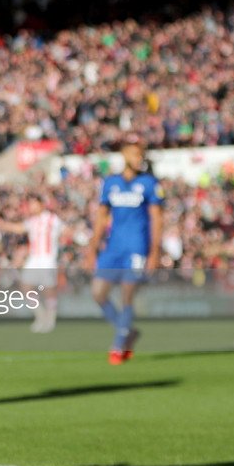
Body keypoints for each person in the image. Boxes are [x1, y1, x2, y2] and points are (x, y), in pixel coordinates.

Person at [84, 140, 162, 364]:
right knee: (98, 293)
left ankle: (118, 345)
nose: (140, 159)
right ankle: (127, 330)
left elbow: (157, 218)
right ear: (126, 156)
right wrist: (92, 249)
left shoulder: (149, 183)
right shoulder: (111, 183)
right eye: (137, 155)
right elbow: (101, 218)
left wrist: (154, 252)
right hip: (113, 247)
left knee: (127, 295)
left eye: (142, 156)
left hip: (136, 248)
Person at [0, 196, 63, 332]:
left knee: (48, 290)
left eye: (34, 204)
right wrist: (3, 224)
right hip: (34, 258)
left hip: (47, 258)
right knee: (26, 286)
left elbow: (66, 231)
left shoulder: (52, 219)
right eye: (30, 204)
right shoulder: (32, 221)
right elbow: (19, 228)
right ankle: (40, 315)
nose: (31, 207)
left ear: (41, 205)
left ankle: (51, 319)